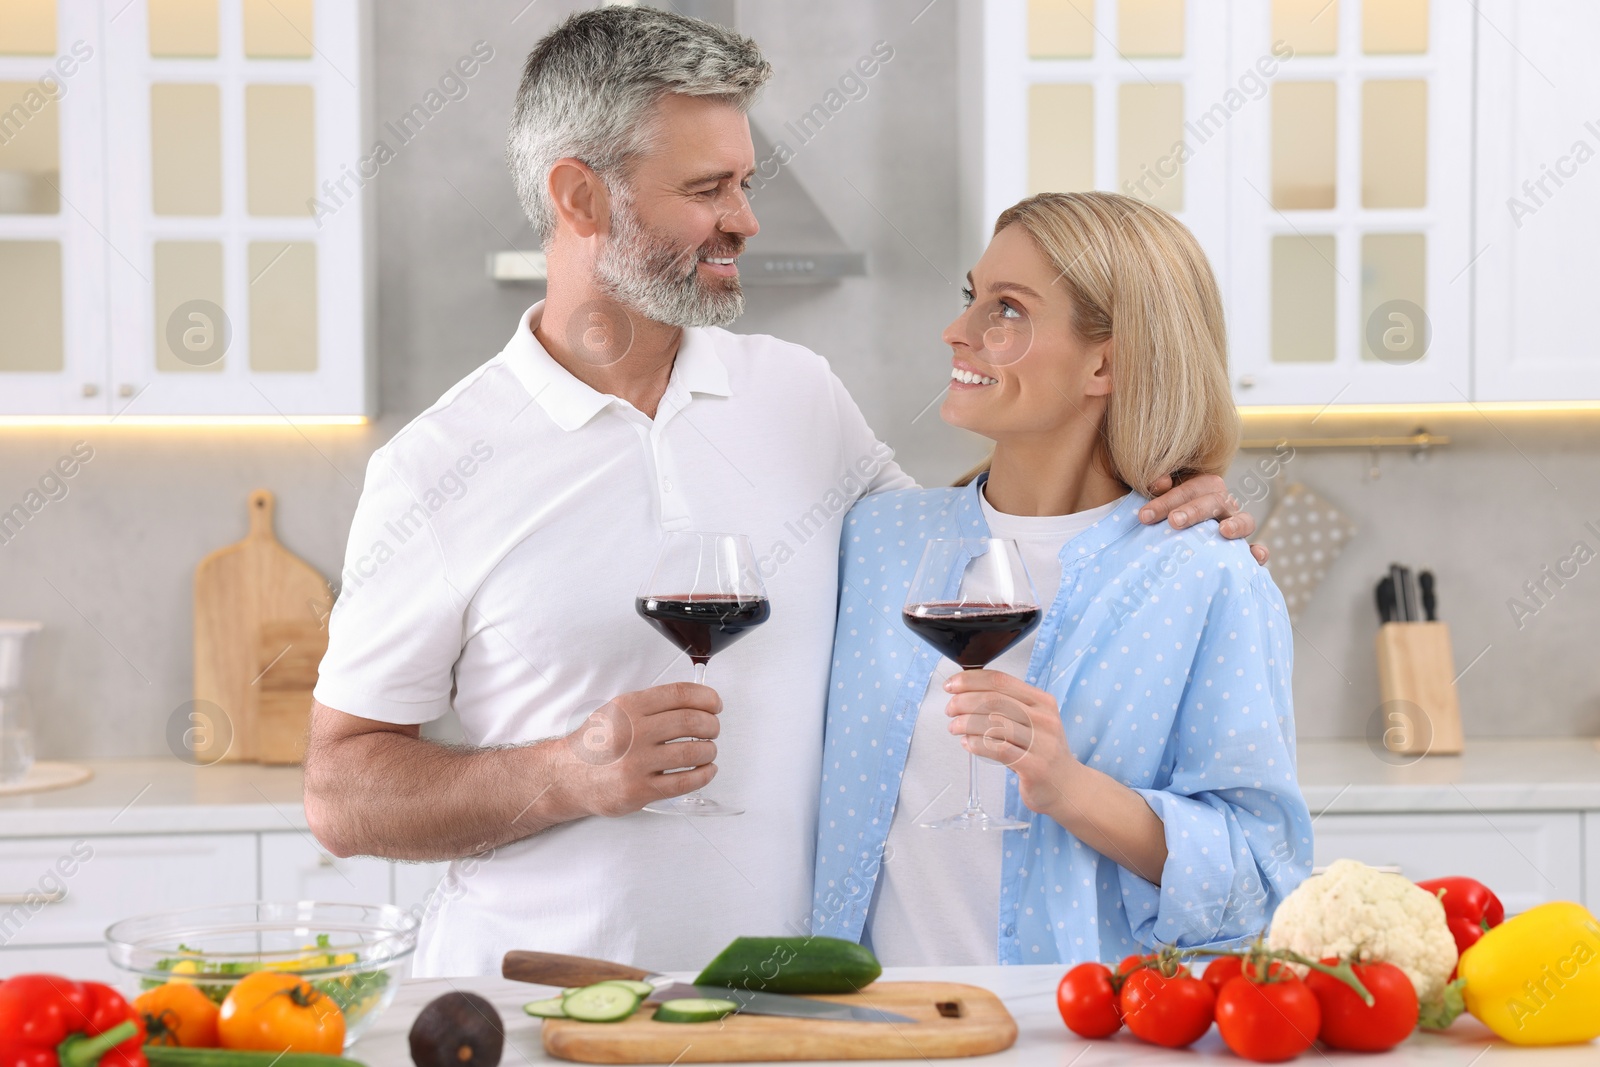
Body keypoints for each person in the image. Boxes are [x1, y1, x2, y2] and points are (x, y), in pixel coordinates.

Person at [303, 8, 1258, 976]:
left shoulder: (797, 394)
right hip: (538, 1004)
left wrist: (1166, 483)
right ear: (579, 196)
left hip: (789, 1011)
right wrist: (560, 775)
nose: (746, 220)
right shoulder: (436, 466)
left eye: (747, 181)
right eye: (708, 188)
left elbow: (964, 547)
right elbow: (340, 794)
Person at [812, 192, 1312, 966]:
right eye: (971, 298)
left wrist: (1073, 789)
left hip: (1072, 1035)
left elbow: (1261, 880)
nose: (959, 332)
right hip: (871, 1035)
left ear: (1105, 362)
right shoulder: (878, 541)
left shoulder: (1209, 576)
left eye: (1006, 310)